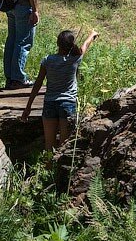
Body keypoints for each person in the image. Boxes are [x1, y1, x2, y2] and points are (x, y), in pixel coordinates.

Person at [21, 29, 99, 158]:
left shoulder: (48, 60)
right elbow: (85, 45)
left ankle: (47, 169)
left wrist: (28, 107)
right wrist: (92, 35)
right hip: (68, 104)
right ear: (71, 44)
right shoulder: (75, 59)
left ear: (57, 43)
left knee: (49, 145)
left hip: (50, 103)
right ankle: (58, 175)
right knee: (64, 146)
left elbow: (38, 84)